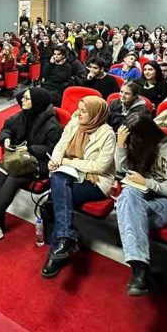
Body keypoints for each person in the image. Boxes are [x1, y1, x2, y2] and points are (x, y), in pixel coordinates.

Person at [0, 88, 62, 248]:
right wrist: (6, 138)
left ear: (36, 103)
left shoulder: (52, 125)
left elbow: (53, 150)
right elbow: (7, 128)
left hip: (39, 163)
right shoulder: (23, 115)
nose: (22, 100)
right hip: (19, 159)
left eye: (26, 98)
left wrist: (30, 149)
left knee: (13, 178)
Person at [114, 114, 167, 296]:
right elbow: (122, 172)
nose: (133, 143)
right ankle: (141, 270)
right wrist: (120, 146)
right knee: (127, 195)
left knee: (126, 212)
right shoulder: (139, 147)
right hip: (145, 197)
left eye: (134, 140)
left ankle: (140, 270)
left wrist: (146, 182)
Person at [41, 96, 115, 278]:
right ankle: (64, 241)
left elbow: (100, 167)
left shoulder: (108, 134)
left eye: (84, 111)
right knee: (57, 178)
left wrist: (68, 162)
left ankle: (57, 251)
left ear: (95, 114)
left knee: (54, 200)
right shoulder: (75, 122)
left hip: (95, 181)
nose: (78, 113)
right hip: (70, 173)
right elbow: (61, 145)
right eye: (78, 109)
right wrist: (56, 161)